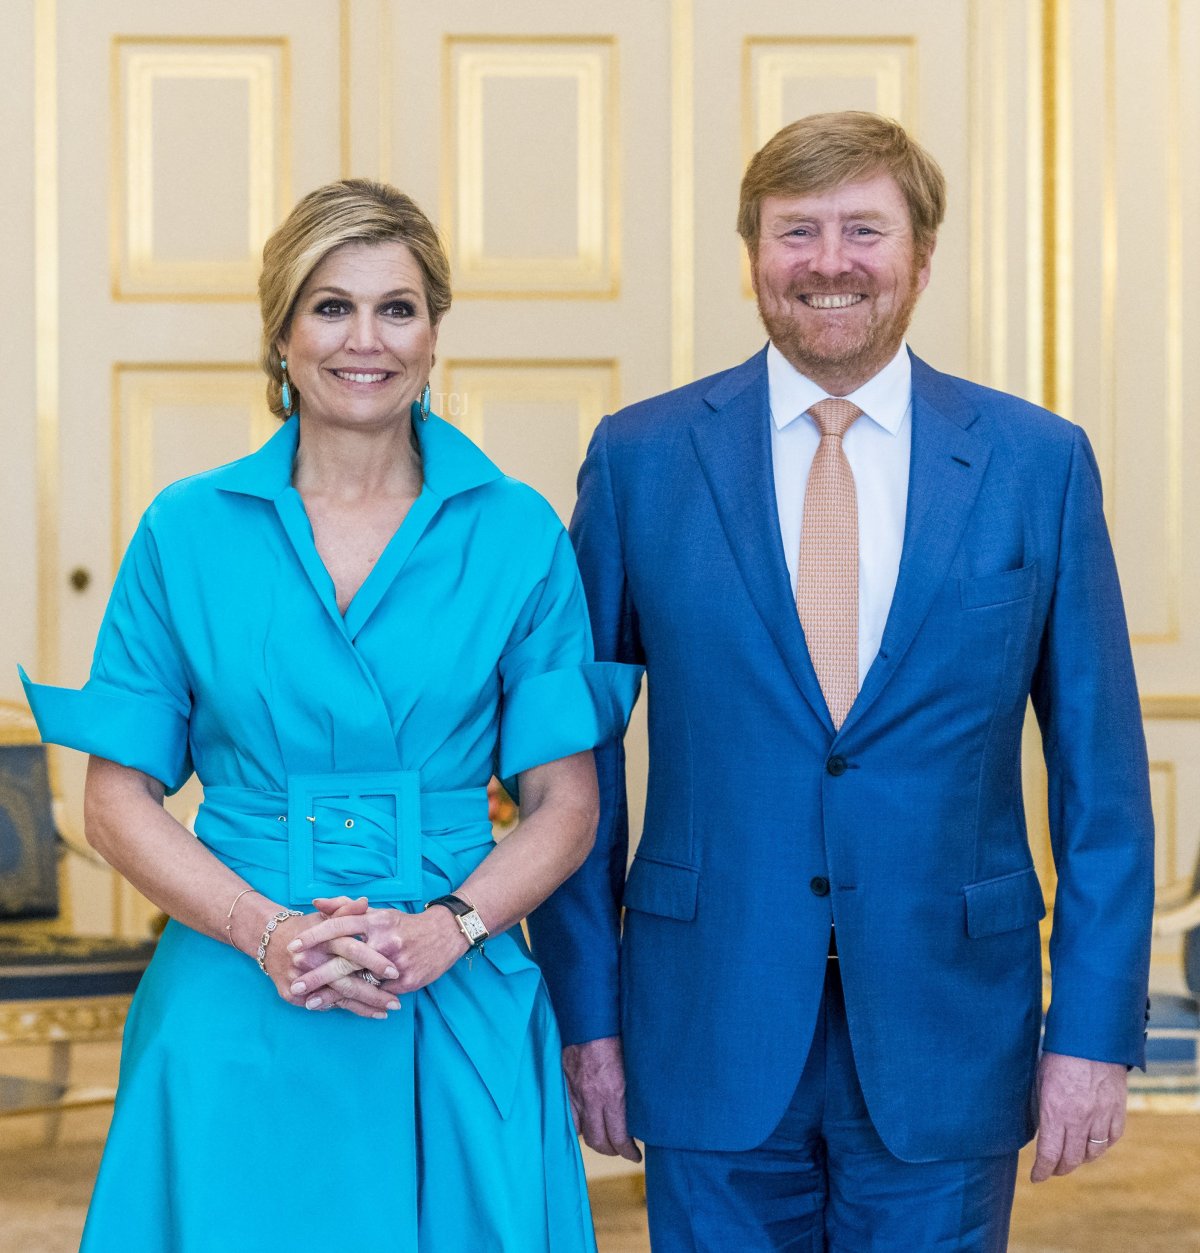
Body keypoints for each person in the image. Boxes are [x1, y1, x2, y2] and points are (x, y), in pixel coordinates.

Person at [528, 111, 1155, 1251]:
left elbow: (1101, 782)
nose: (829, 262)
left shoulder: (1037, 464)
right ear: (752, 255)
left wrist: (1093, 1032)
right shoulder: (640, 460)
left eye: (864, 229)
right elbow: (575, 765)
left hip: (950, 1026)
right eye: (796, 231)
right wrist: (589, 1014)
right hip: (706, 1018)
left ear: (923, 254)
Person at [20, 178, 641, 1250]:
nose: (366, 339)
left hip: (452, 984)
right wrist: (269, 933)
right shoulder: (185, 530)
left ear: (434, 335)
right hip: (235, 980)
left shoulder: (518, 532)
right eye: (331, 306)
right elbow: (116, 802)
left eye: (397, 308)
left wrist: (450, 928)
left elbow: (565, 804)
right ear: (282, 333)